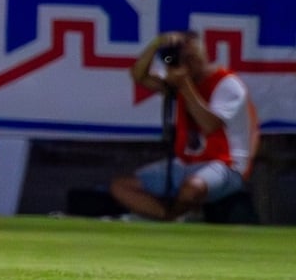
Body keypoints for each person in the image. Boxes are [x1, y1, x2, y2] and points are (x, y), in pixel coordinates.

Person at [110, 31, 258, 221]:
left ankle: (173, 217)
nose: (189, 63)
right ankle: (166, 216)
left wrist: (185, 85)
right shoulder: (179, 82)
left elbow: (210, 125)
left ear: (203, 55)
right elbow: (139, 75)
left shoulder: (227, 83)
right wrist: (157, 45)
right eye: (184, 58)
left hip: (226, 164)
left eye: (193, 57)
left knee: (192, 188)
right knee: (121, 186)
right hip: (186, 162)